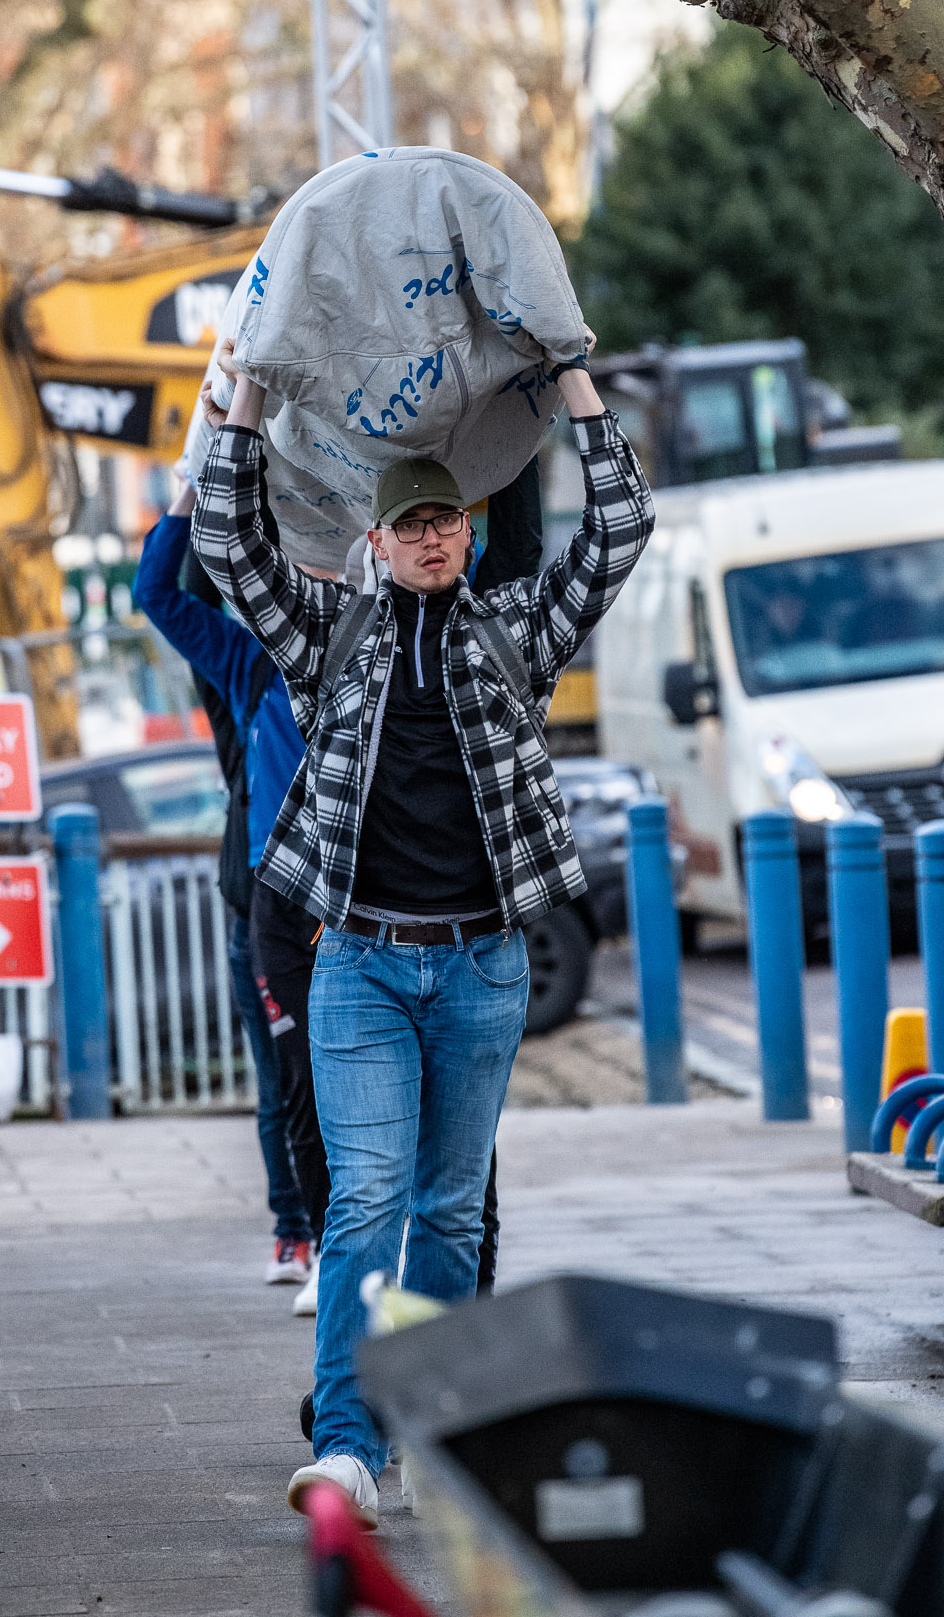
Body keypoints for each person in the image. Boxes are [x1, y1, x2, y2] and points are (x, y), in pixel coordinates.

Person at [192, 338, 654, 1525]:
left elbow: (617, 531)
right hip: (358, 964)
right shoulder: (329, 637)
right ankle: (346, 1442)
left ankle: (434, 1417)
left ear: (465, 526)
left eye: (449, 517)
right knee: (363, 1204)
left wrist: (569, 382)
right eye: (413, 524)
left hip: (483, 967)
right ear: (378, 541)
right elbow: (228, 544)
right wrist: (244, 391)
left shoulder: (513, 631)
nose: (435, 536)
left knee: (450, 1209)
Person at [136, 481, 327, 1299]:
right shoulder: (248, 669)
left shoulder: (366, 648)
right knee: (290, 1085)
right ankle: (306, 1235)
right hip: (266, 910)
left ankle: (337, 1240)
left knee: (336, 1087)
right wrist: (196, 478)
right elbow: (159, 593)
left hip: (351, 907)